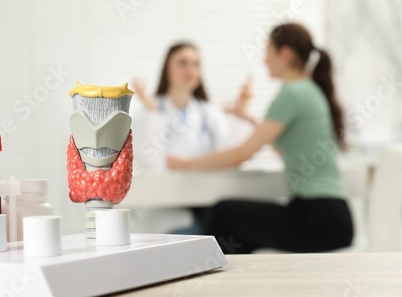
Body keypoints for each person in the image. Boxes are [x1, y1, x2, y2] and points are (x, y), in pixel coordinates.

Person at [167, 23, 354, 253]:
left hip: (316, 216)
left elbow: (241, 154)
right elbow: (281, 145)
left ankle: (220, 283)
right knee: (241, 230)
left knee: (223, 213)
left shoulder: (291, 93)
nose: (264, 61)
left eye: (267, 53)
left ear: (284, 54)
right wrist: (248, 117)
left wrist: (185, 164)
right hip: (330, 217)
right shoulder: (309, 90)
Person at [132, 42, 241, 170]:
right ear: (167, 68)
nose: (190, 69)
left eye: (196, 64)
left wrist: (242, 109)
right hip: (163, 186)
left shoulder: (209, 113)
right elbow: (143, 155)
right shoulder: (148, 110)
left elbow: (230, 152)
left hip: (204, 186)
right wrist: (152, 111)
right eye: (183, 63)